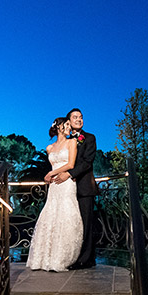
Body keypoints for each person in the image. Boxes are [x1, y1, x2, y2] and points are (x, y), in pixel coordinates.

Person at [26, 118, 83, 272]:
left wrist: (51, 173)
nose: (69, 129)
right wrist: (51, 175)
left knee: (66, 214)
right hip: (54, 186)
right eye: (66, 126)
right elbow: (54, 163)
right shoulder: (49, 148)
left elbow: (71, 164)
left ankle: (61, 257)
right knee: (51, 213)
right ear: (59, 127)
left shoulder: (72, 143)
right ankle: (45, 257)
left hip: (66, 183)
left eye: (69, 127)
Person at [51, 108, 97, 269]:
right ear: (69, 121)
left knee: (85, 224)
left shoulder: (90, 138)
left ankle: (86, 260)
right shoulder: (67, 139)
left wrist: (69, 174)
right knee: (72, 224)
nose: (79, 119)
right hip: (66, 190)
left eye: (81, 117)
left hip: (84, 187)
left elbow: (87, 162)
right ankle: (71, 256)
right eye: (75, 117)